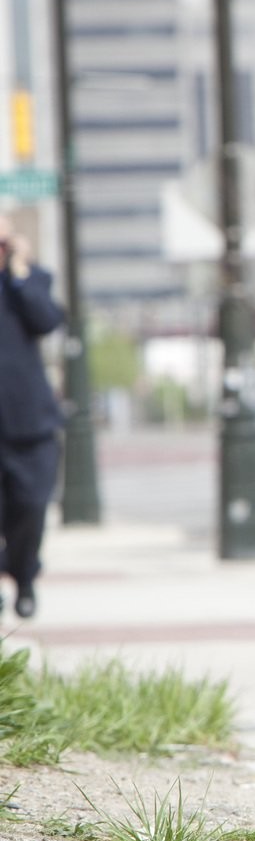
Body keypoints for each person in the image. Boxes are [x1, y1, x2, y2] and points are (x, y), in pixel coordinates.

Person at [0, 211, 63, 621]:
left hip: (29, 424)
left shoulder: (29, 279)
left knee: (33, 505)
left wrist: (18, 271)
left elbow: (47, 320)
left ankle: (23, 574)